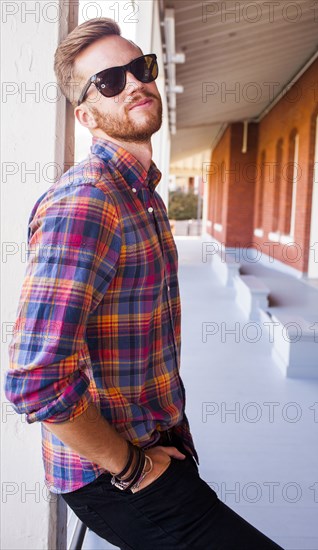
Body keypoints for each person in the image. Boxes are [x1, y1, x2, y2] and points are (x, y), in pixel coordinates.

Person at [5, 18, 284, 550]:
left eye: (141, 68)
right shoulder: (87, 203)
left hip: (159, 445)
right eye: (110, 80)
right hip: (115, 477)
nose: (134, 82)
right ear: (86, 115)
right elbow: (34, 379)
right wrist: (131, 468)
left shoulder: (144, 195)